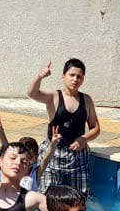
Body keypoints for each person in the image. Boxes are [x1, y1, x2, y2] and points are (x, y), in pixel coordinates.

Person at [27, 59, 100, 194]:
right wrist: (39, 77)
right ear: (63, 76)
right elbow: (32, 93)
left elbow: (95, 128)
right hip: (53, 153)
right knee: (46, 196)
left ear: (83, 79)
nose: (75, 79)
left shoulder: (86, 100)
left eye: (79, 76)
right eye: (71, 75)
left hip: (77, 157)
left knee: (80, 198)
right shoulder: (54, 97)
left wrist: (84, 139)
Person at [0, 113, 42, 192]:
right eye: (14, 157)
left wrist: (53, 143)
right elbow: (6, 148)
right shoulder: (14, 170)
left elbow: (46, 159)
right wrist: (0, 131)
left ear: (36, 157)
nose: (28, 160)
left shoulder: (35, 173)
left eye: (30, 157)